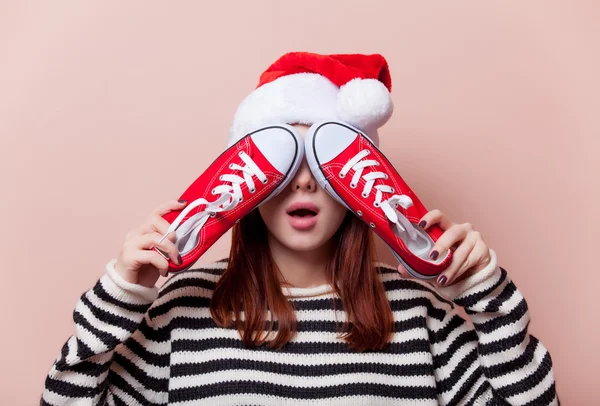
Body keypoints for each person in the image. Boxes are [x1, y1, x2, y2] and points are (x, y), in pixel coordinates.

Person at [41, 52, 559, 405]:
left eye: (324, 154)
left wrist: (488, 297)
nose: (304, 180)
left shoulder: (421, 316)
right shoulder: (180, 309)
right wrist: (121, 294)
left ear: (359, 180)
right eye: (282, 158)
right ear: (246, 179)